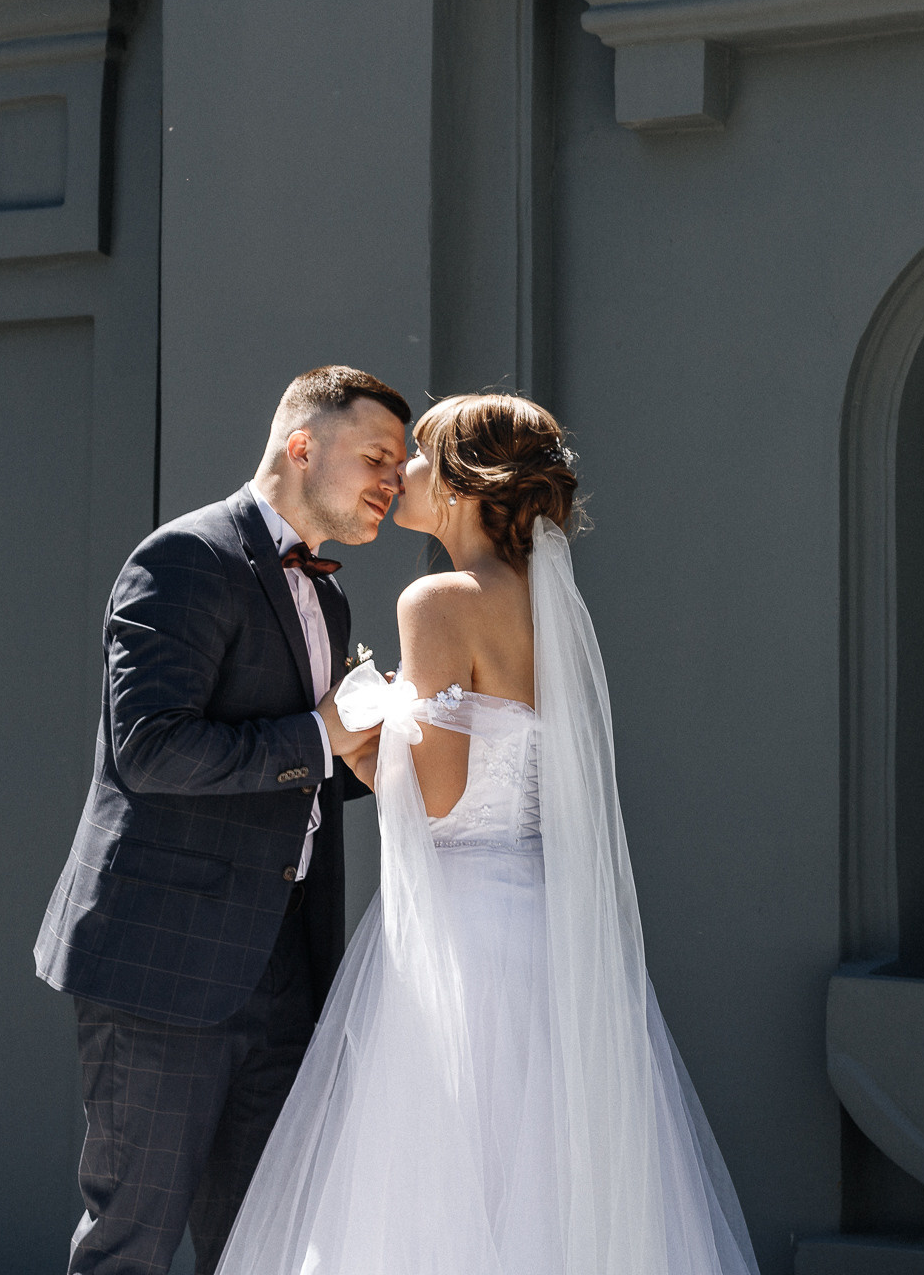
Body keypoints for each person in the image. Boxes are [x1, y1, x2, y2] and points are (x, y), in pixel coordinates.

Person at [215, 393, 758, 1275]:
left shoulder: (439, 600)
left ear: (466, 484)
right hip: (546, 929)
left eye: (419, 457)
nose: (401, 475)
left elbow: (436, 801)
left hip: (461, 933)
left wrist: (363, 726)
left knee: (438, 1192)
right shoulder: (550, 610)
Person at [34, 366, 411, 1275]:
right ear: (301, 445)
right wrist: (322, 736)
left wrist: (363, 758)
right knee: (132, 1246)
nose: (393, 486)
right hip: (167, 967)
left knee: (263, 1249)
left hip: (284, 971)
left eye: (400, 470)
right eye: (377, 459)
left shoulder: (328, 594)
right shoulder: (182, 559)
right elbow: (153, 750)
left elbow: (297, 769)